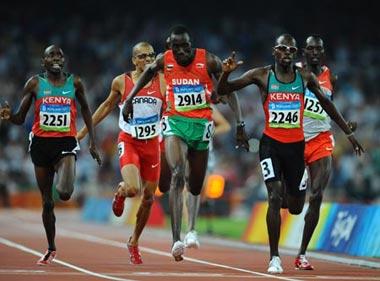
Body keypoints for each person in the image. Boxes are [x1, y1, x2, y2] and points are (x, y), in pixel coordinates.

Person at [217, 34, 364, 274]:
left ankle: (291, 198)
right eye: (282, 48)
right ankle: (274, 257)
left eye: (291, 50)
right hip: (270, 145)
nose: (286, 52)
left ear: (295, 54)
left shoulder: (305, 78)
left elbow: (327, 104)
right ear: (275, 51)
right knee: (274, 196)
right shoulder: (262, 75)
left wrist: (348, 133)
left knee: (296, 207)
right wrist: (225, 72)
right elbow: (225, 89)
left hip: (297, 146)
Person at [123, 25, 248, 261]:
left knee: (196, 186)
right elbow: (148, 73)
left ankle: (191, 228)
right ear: (170, 47)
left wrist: (240, 124)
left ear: (192, 45)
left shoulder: (207, 60)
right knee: (178, 173)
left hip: (201, 126)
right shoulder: (164, 60)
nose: (182, 52)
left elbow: (228, 91)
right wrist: (130, 99)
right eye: (177, 47)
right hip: (175, 123)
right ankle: (176, 239)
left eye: (186, 46)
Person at [0, 45, 101, 265]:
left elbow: (86, 110)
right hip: (40, 144)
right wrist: (9, 117)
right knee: (47, 202)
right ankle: (51, 247)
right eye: (51, 55)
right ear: (43, 62)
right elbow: (20, 117)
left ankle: (63, 173)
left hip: (65, 142)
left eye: (59, 55)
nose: (56, 58)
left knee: (64, 192)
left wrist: (92, 141)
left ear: (64, 60)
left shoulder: (75, 83)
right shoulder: (35, 84)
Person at [76, 42, 165, 265]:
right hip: (130, 141)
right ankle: (122, 192)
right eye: (142, 56)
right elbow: (106, 107)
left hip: (152, 144)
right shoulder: (121, 81)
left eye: (151, 56)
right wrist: (82, 133)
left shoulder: (162, 81)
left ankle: (134, 242)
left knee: (148, 198)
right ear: (134, 60)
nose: (147, 60)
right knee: (134, 189)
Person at [158, 35, 247, 250]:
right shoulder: (161, 74)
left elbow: (221, 98)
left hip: (198, 133)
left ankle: (189, 231)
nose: (178, 53)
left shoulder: (202, 74)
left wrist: (219, 92)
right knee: (166, 184)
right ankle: (181, 232)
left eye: (181, 48)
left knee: (191, 184)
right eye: (172, 49)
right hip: (170, 132)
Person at [294, 35, 357, 270]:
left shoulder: (332, 77)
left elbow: (329, 106)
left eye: (318, 49)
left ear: (322, 51)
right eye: (309, 48)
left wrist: (346, 128)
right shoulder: (293, 71)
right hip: (295, 140)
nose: (313, 52)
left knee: (317, 195)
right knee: (293, 202)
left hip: (321, 140)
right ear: (303, 51)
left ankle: (301, 254)